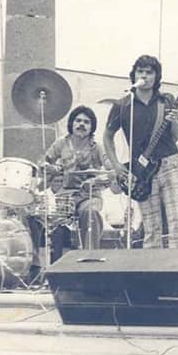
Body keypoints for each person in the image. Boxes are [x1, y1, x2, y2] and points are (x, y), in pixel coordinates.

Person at [103, 55, 178, 249]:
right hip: (142, 171)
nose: (144, 76)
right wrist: (116, 165)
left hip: (169, 163)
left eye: (149, 72)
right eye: (140, 71)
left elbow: (177, 135)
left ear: (156, 77)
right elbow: (107, 136)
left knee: (176, 220)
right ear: (133, 75)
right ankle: (153, 273)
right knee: (151, 225)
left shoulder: (166, 100)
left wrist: (174, 120)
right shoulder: (122, 105)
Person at [41, 105, 111, 255]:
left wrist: (97, 180)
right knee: (56, 224)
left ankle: (90, 257)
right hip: (65, 196)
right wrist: (50, 168)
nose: (81, 124)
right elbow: (44, 162)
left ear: (92, 127)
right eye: (78, 120)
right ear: (71, 124)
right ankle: (56, 265)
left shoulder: (97, 147)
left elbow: (110, 171)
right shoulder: (61, 143)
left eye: (86, 122)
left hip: (90, 195)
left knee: (91, 214)